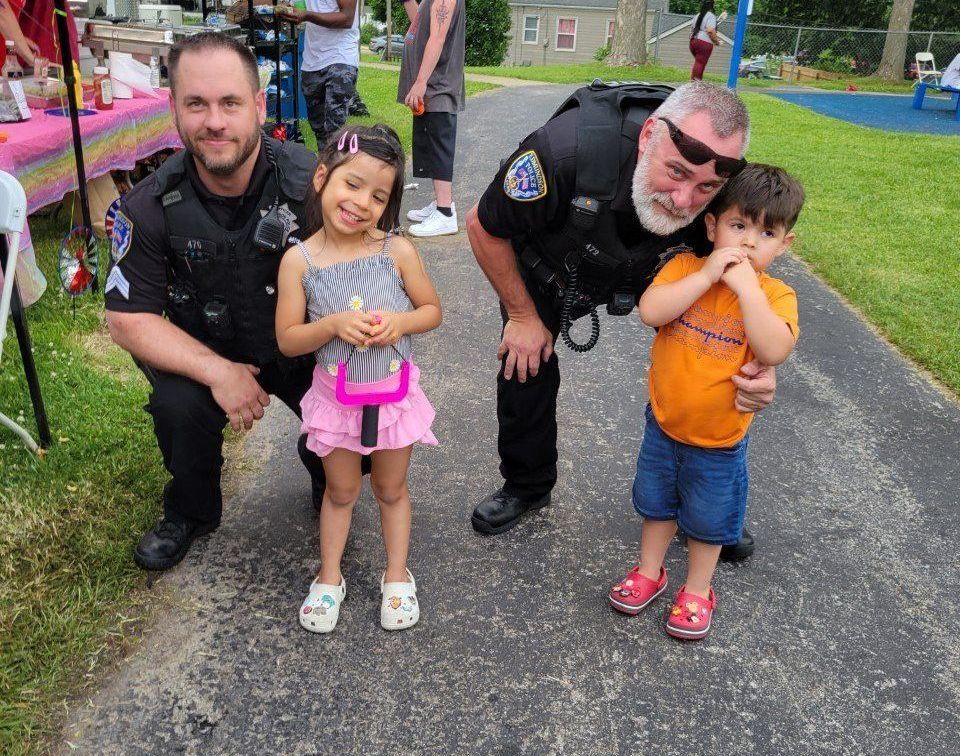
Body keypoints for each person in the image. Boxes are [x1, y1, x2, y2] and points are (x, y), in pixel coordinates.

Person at [467, 81, 777, 562]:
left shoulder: (727, 189)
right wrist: (523, 314)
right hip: (554, 266)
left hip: (663, 267)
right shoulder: (562, 152)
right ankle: (526, 485)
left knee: (713, 364)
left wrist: (760, 360)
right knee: (525, 361)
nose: (683, 197)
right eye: (676, 171)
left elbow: (751, 270)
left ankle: (707, 513)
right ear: (649, 134)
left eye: (706, 188)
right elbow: (482, 226)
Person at [104, 32, 326, 571]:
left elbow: (370, 268)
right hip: (208, 345)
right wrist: (219, 372)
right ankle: (190, 509)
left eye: (230, 103)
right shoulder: (149, 204)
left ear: (258, 105)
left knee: (359, 419)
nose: (215, 122)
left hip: (302, 346)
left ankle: (325, 459)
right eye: (196, 104)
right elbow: (127, 320)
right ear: (175, 111)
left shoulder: (313, 184)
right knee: (177, 406)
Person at [608, 164, 803, 640]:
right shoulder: (685, 269)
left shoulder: (775, 295)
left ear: (784, 245)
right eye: (739, 226)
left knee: (708, 521)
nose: (749, 243)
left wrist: (744, 288)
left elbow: (774, 348)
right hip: (664, 424)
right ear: (713, 226)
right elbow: (650, 311)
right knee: (656, 506)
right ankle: (650, 571)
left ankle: (698, 589)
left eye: (767, 233)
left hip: (719, 442)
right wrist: (709, 275)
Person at [276, 124, 441, 634]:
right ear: (323, 177)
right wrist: (328, 327)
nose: (361, 203)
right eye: (352, 184)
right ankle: (330, 577)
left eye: (378, 195)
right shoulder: (298, 261)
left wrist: (401, 323)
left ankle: (396, 575)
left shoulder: (397, 252)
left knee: (391, 488)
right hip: (337, 402)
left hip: (391, 397)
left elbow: (431, 310)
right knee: (341, 491)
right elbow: (288, 339)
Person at [398, 0, 465, 238]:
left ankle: (445, 213)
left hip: (438, 84)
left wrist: (420, 81)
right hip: (432, 83)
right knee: (430, 141)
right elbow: (420, 25)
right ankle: (440, 204)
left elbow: (437, 39)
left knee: (439, 143)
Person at [277, 0, 361, 148]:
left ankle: (337, 168)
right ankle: (326, 167)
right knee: (319, 130)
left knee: (335, 129)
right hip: (312, 60)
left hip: (340, 57)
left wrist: (306, 15)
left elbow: (347, 18)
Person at [689, 1, 719, 81]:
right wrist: (716, 41)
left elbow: (692, 28)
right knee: (700, 63)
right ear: (712, 5)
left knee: (698, 63)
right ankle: (695, 84)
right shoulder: (711, 16)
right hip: (703, 43)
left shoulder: (698, 15)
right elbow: (710, 31)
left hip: (693, 40)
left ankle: (695, 82)